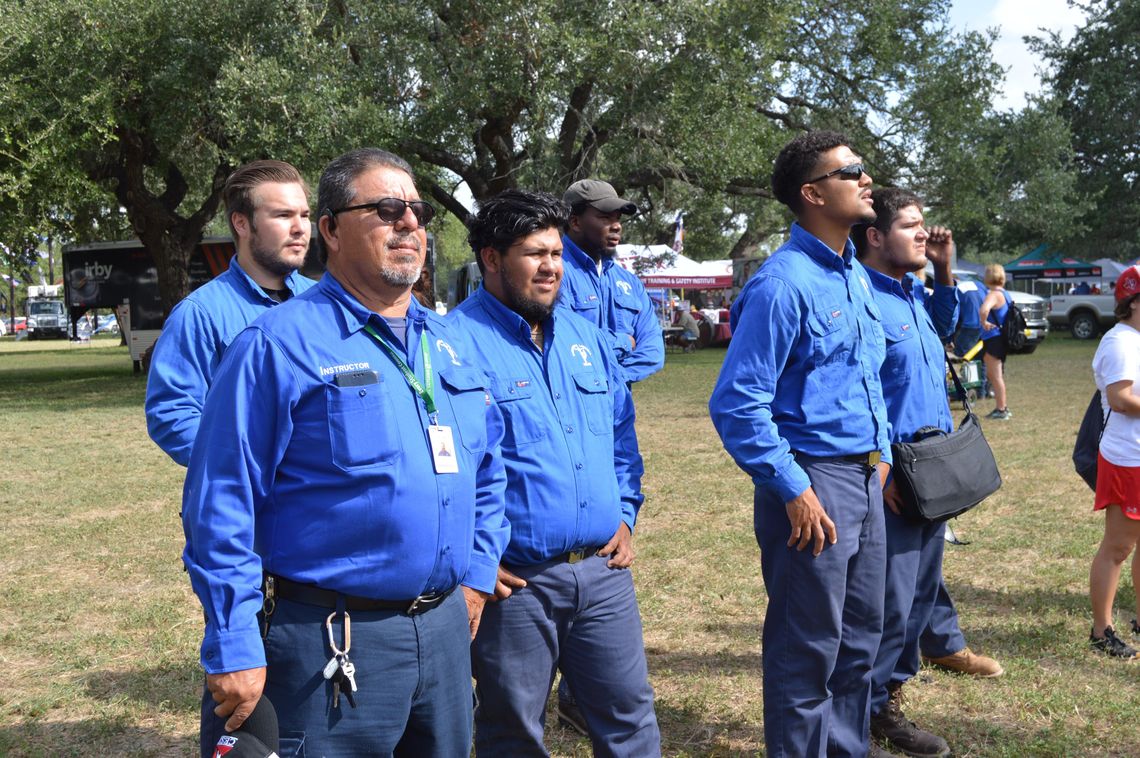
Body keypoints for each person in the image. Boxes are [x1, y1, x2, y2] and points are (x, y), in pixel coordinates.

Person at [181, 148, 509, 755]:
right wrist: (232, 641)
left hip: (442, 636)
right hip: (327, 640)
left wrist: (478, 576)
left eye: (416, 209)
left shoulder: (452, 344)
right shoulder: (275, 346)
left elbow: (487, 470)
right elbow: (220, 503)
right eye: (386, 209)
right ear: (330, 229)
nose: (410, 223)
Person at [451, 189, 661, 756]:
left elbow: (621, 433)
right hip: (515, 585)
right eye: (532, 254)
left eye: (556, 253)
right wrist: (473, 557)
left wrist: (626, 510)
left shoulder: (584, 338)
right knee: (512, 728)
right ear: (491, 259)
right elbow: (447, 467)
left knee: (630, 717)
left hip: (602, 573)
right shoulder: (451, 344)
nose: (550, 267)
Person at [709, 131, 892, 758]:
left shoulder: (856, 278)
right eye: (853, 171)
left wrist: (884, 455)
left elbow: (864, 377)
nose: (868, 179)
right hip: (814, 480)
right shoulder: (783, 284)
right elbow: (737, 403)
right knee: (807, 644)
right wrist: (793, 489)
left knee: (860, 637)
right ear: (813, 194)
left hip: (865, 479)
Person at [853, 188, 1003, 758]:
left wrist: (942, 273)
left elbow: (945, 331)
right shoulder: (862, 296)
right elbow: (855, 391)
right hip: (894, 475)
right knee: (888, 604)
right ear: (874, 235)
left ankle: (889, 695)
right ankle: (869, 711)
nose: (924, 233)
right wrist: (881, 468)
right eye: (911, 226)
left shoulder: (909, 290)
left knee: (916, 595)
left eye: (924, 225)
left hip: (931, 469)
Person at [146, 160, 317, 466]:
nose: (300, 228)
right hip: (254, 506)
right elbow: (172, 414)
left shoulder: (323, 302)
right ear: (241, 223)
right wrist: (246, 465)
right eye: (283, 215)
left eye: (304, 215)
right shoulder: (200, 314)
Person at [558, 179, 664, 383]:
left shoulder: (629, 282)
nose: (616, 226)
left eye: (618, 219)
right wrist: (625, 342)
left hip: (619, 410)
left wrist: (612, 382)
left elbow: (653, 351)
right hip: (573, 410)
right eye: (605, 218)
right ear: (575, 222)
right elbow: (565, 346)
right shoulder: (552, 275)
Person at [1087, 264, 1140, 659]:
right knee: (1118, 547)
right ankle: (1101, 630)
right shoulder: (1120, 342)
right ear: (1134, 302)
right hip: (1127, 459)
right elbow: (1121, 400)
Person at [978, 264, 1012, 420]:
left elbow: (984, 309)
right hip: (1001, 338)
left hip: (994, 337)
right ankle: (1001, 407)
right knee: (995, 374)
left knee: (995, 375)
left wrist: (983, 322)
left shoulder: (993, 294)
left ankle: (1001, 409)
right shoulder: (1005, 294)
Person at [952, 276, 989, 397]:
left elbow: (954, 314)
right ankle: (982, 391)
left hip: (970, 326)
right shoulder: (978, 284)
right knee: (980, 358)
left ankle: (962, 392)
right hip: (985, 324)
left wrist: (949, 338)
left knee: (962, 358)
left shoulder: (955, 289)